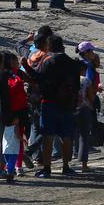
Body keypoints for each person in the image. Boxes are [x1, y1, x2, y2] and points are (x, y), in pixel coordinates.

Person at [21, 35, 79, 177]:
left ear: (49, 47)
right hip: (67, 104)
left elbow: (37, 78)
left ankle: (47, 168)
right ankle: (66, 167)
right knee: (66, 136)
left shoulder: (48, 61)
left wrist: (26, 67)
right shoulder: (72, 63)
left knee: (48, 136)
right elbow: (76, 86)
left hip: (49, 103)